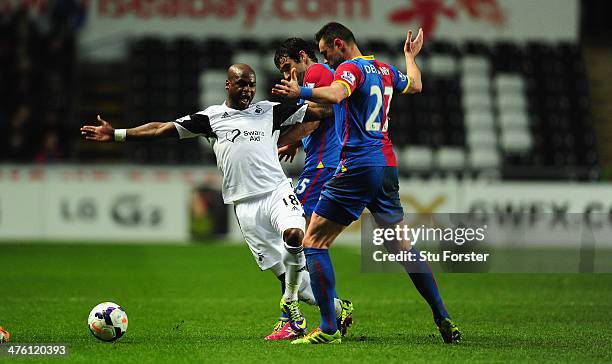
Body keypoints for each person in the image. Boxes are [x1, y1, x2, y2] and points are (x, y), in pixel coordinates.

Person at [81, 63, 338, 340]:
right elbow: (161, 129)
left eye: (251, 84)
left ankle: (289, 307)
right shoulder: (211, 118)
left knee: (294, 233)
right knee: (297, 282)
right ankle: (336, 308)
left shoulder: (268, 110)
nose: (248, 90)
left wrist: (328, 101)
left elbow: (322, 113)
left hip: (276, 191)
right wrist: (117, 133)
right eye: (241, 84)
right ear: (228, 85)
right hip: (245, 206)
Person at [273, 23, 461, 344]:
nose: (326, 60)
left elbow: (335, 94)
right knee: (401, 247)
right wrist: (409, 56)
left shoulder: (349, 68)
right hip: (386, 165)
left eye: (326, 52)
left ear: (339, 44)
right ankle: (442, 314)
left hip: (357, 165)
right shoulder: (385, 69)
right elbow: (415, 85)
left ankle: (329, 328)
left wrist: (300, 92)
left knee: (313, 242)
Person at [271, 37, 354, 340]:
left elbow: (316, 119)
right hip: (323, 166)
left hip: (322, 169)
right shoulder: (319, 80)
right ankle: (329, 311)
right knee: (306, 244)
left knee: (292, 239)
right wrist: (296, 141)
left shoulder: (316, 74)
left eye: (287, 66)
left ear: (302, 56)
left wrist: (277, 143)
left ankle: (293, 319)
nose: (286, 75)